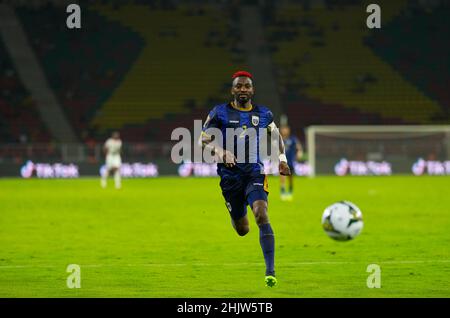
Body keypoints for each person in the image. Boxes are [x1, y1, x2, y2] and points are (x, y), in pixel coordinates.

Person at [200, 71, 291, 287]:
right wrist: (221, 151)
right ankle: (235, 211)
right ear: (232, 90)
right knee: (243, 229)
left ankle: (270, 271)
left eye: (246, 86)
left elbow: (276, 136)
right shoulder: (219, 112)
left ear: (252, 90)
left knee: (261, 213)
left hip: (254, 173)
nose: (243, 89)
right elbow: (203, 139)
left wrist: (282, 158)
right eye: (239, 86)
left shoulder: (264, 114)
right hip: (229, 177)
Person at [279, 125, 303, 201]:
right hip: (282, 161)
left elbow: (298, 147)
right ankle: (282, 192)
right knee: (282, 176)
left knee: (290, 177)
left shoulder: (293, 139)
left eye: (286, 129)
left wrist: (299, 152)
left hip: (291, 161)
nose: (284, 131)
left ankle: (290, 191)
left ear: (288, 130)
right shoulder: (279, 139)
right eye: (283, 129)